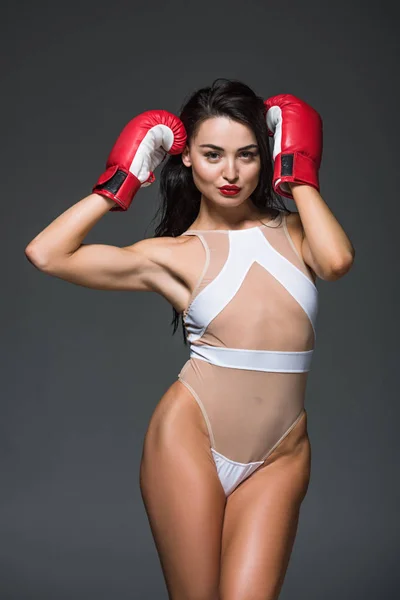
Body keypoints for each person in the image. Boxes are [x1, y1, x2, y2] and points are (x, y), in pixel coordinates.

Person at [25, 78, 355, 600]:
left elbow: (336, 262)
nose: (230, 173)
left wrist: (299, 172)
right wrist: (119, 182)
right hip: (190, 439)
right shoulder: (172, 254)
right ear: (187, 161)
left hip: (281, 453)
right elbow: (47, 253)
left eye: (247, 155)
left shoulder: (295, 231)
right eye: (212, 154)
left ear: (267, 157)